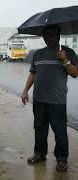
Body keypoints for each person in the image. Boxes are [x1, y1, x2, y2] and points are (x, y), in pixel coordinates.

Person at [21, 25, 78, 172]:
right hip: (39, 100)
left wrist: (65, 60)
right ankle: (39, 154)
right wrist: (26, 90)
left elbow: (75, 73)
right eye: (46, 35)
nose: (49, 38)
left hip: (57, 101)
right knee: (39, 128)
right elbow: (33, 73)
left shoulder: (68, 52)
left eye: (52, 34)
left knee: (60, 132)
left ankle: (62, 160)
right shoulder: (38, 54)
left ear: (58, 35)